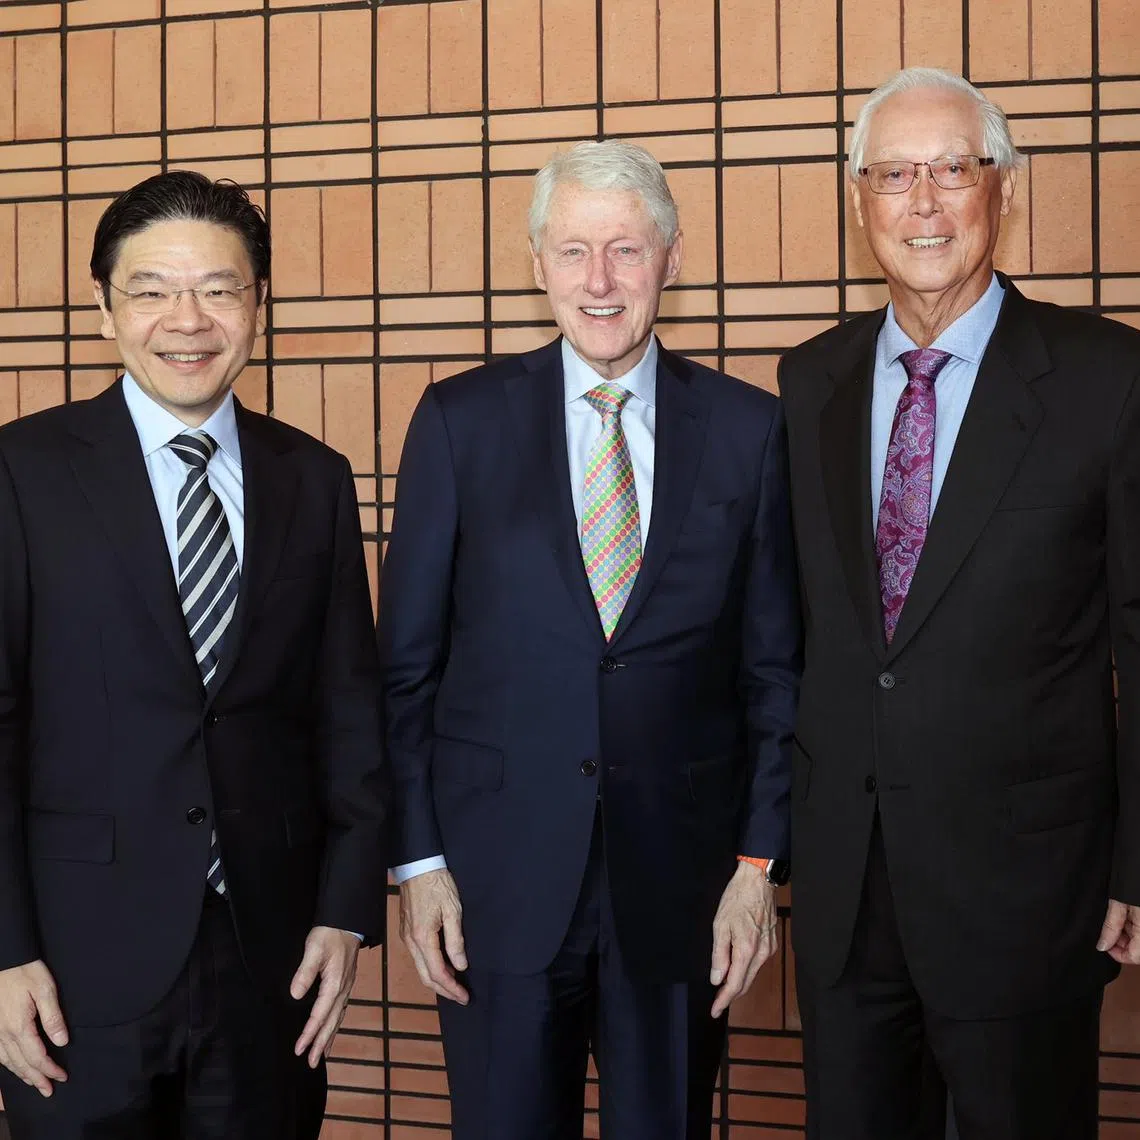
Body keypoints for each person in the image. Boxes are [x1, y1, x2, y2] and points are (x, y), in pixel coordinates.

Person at [378, 140, 801, 1139]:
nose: (599, 281)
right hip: (494, 887)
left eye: (625, 249)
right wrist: (418, 863)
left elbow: (775, 673)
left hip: (683, 887)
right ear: (538, 265)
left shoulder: (749, 430)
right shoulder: (458, 421)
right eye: (572, 251)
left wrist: (757, 869)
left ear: (671, 257)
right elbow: (403, 671)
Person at [779, 67, 1140, 1139]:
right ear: (859, 202)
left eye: (953, 169)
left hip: (1029, 893)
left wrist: (1139, 863)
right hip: (848, 897)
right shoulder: (809, 383)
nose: (924, 202)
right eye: (894, 175)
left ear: (1004, 189)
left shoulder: (1107, 375)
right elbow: (794, 637)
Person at [0, 171, 388, 1139]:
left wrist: (345, 912)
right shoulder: (19, 472)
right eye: (152, 291)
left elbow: (347, 712)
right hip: (73, 967)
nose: (188, 320)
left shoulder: (314, 478)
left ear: (258, 305)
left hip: (270, 958)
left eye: (219, 289)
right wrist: (3, 951)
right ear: (104, 308)